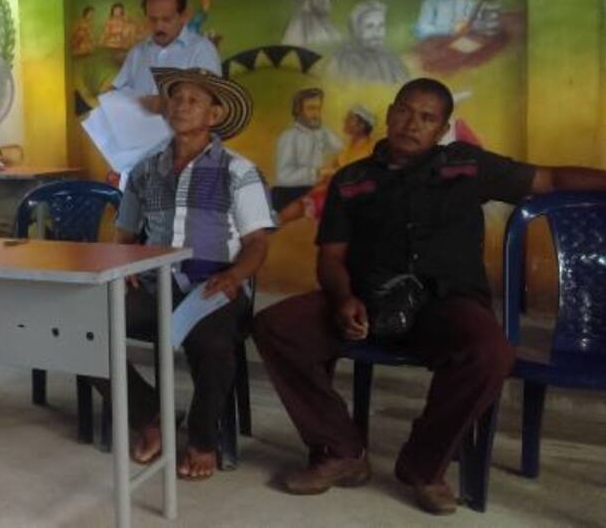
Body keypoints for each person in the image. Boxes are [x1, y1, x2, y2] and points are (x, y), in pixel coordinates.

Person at [253, 78, 606, 514]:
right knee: (276, 327)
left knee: (491, 350)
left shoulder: (468, 166)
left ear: (441, 129)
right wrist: (344, 298)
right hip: (366, 299)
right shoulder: (352, 180)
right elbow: (331, 257)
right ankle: (340, 450)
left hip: (447, 303)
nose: (411, 124)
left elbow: (550, 179)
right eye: (404, 111)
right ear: (390, 113)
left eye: (427, 117)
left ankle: (424, 466)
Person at [102, 66, 275, 480]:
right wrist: (123, 262)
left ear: (214, 115)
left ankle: (201, 438)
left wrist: (235, 278)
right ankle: (150, 417)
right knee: (84, 328)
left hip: (215, 283)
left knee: (213, 341)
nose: (181, 105)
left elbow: (257, 245)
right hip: (152, 282)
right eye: (176, 98)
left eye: (193, 100)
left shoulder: (238, 170)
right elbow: (124, 234)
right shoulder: (144, 170)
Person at [111, 0, 222, 115]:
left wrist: (157, 103)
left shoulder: (202, 50)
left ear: (183, 16)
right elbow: (115, 91)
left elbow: (206, 105)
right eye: (153, 19)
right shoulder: (137, 52)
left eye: (166, 19)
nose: (158, 27)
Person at [278, 105, 376, 225]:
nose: (345, 121)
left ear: (361, 126)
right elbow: (331, 170)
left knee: (300, 206)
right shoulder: (347, 147)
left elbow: (358, 179)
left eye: (350, 118)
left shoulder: (370, 150)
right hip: (332, 191)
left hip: (348, 198)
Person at [272, 88, 342, 211]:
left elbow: (340, 148)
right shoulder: (289, 137)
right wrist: (317, 173)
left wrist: (321, 128)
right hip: (290, 194)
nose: (316, 114)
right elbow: (284, 176)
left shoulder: (320, 132)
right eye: (311, 108)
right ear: (298, 110)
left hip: (314, 190)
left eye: (318, 108)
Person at [326, 0, 409, 84]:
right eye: (369, 26)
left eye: (381, 25)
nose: (377, 32)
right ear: (356, 30)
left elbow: (406, 88)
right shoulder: (340, 61)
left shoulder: (391, 61)